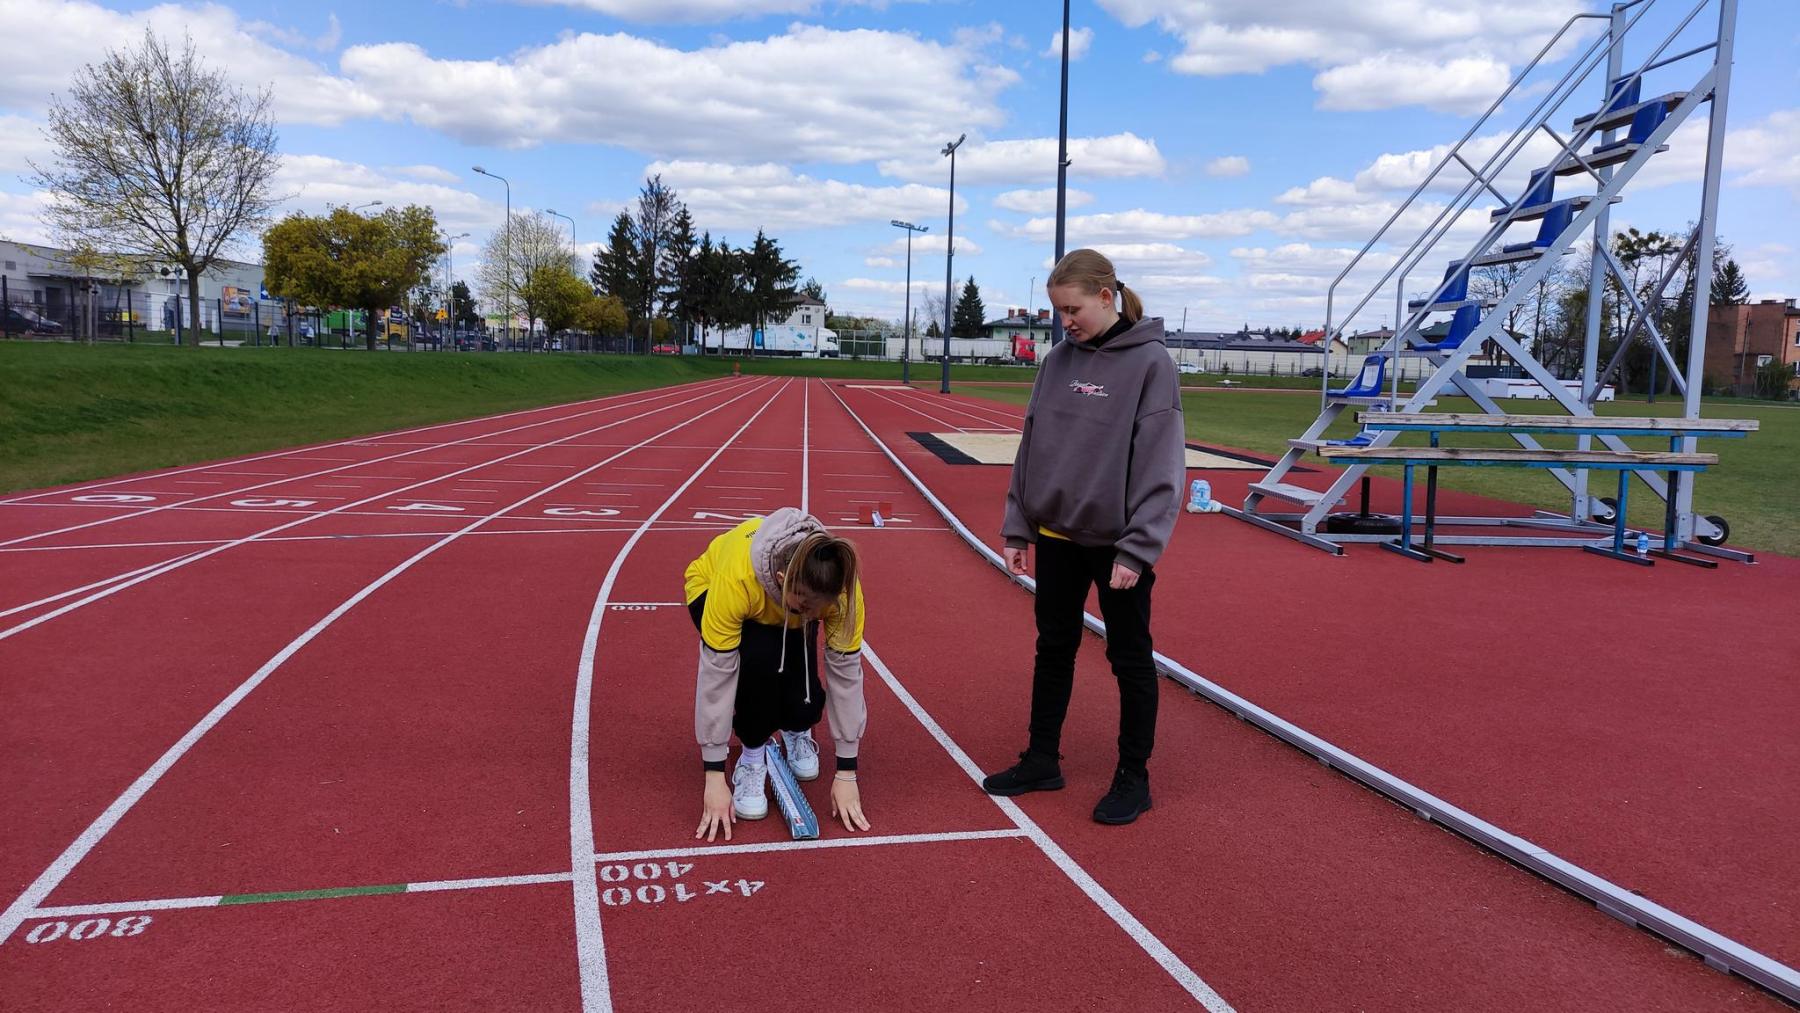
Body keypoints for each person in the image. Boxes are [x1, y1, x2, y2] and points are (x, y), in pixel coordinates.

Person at [982, 248, 1186, 825]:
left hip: (1118, 546)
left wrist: (1138, 549)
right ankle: (1041, 759)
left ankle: (1134, 777)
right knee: (1054, 648)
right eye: (1059, 312)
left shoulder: (1151, 364)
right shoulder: (1056, 362)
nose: (1066, 321)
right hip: (1057, 535)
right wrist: (1018, 527)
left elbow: (1161, 465)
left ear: (1105, 296)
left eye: (1073, 310)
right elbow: (1032, 447)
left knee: (1129, 658)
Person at [687, 507, 870, 841]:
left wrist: (847, 773)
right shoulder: (736, 580)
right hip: (711, 587)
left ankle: (797, 727)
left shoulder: (840, 591)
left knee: (798, 656)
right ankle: (752, 753)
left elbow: (845, 675)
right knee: (760, 658)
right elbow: (717, 675)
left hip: (787, 599)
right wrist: (713, 775)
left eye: (820, 611)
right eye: (807, 609)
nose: (814, 616)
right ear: (784, 579)